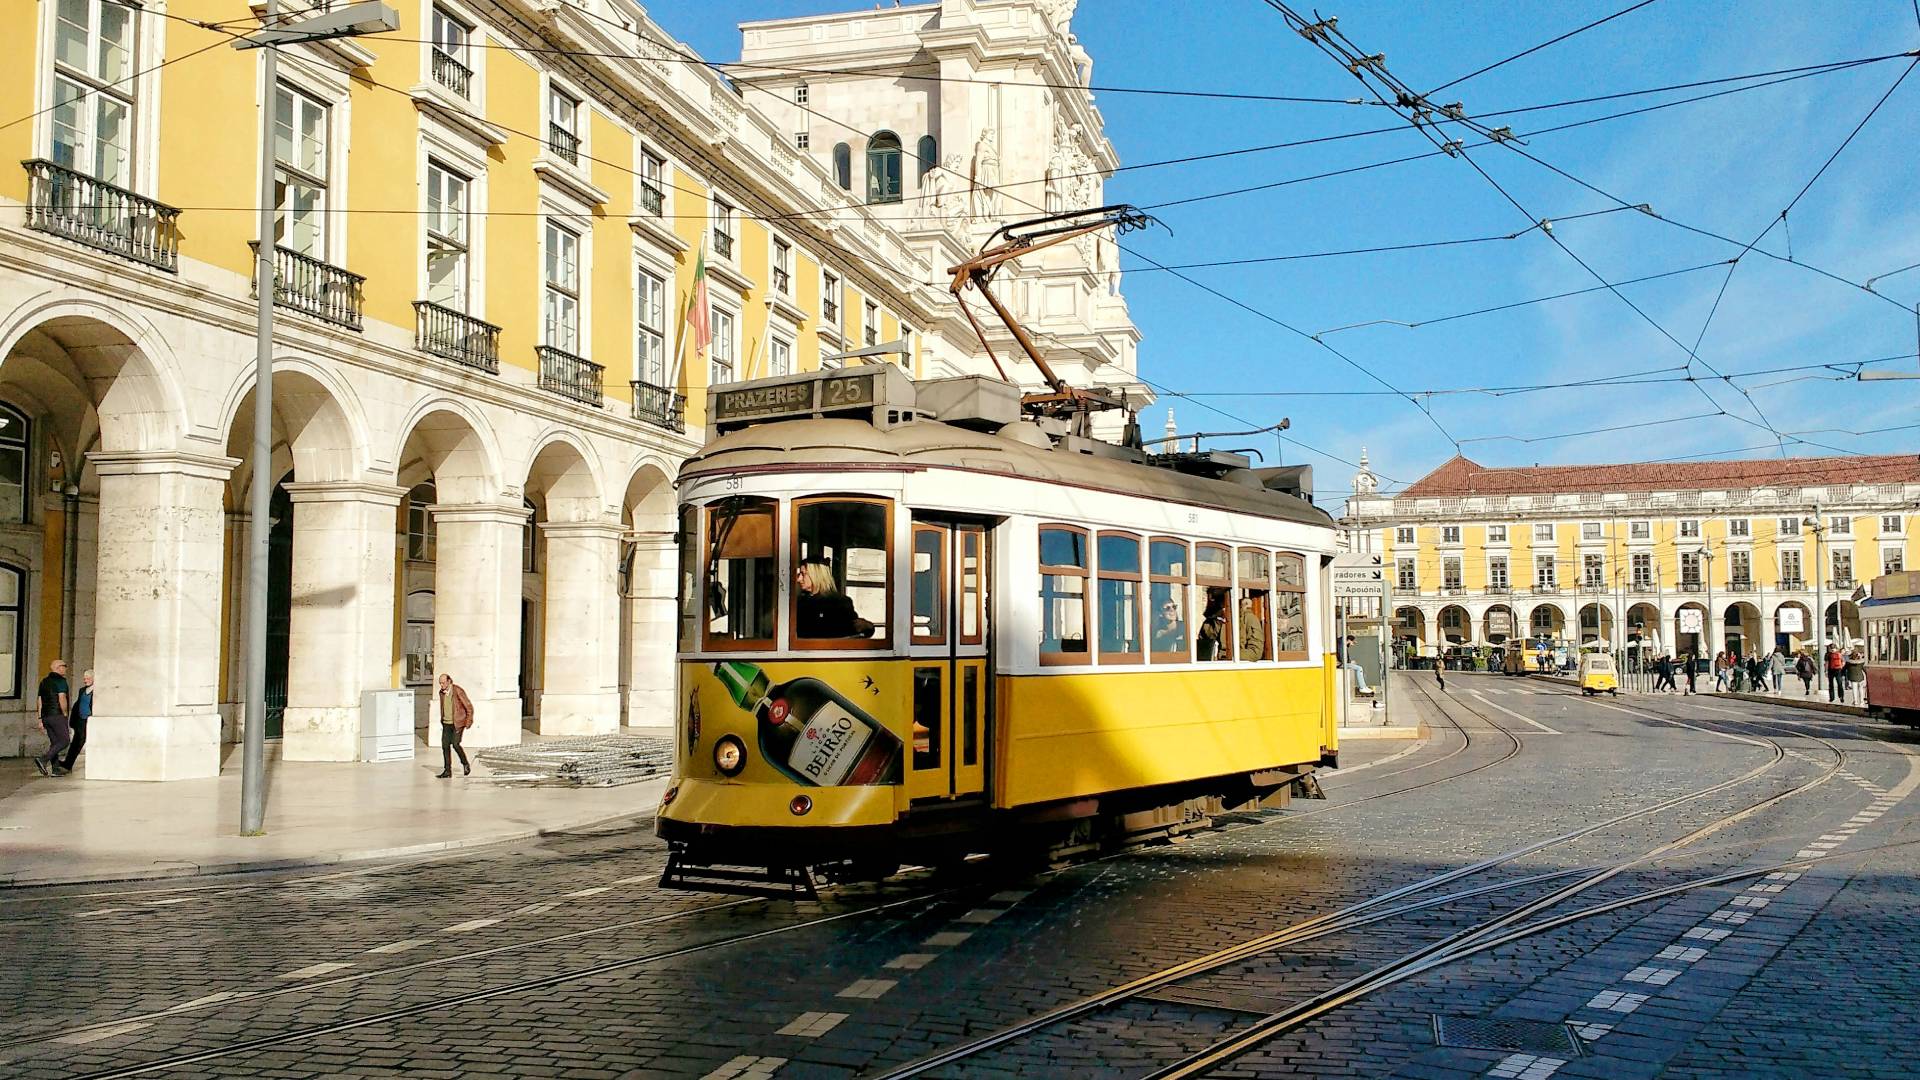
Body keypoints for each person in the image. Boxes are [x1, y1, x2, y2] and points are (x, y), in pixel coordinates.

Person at [794, 560, 869, 640]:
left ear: (817, 575)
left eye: (803, 574)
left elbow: (852, 632)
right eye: (799, 574)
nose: (799, 579)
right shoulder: (798, 602)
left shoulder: (841, 602)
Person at [32, 659, 71, 776]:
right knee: (64, 741)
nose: (66, 668)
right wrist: (65, 714)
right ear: (58, 668)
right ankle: (43, 759)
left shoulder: (44, 682)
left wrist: (39, 718)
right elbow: (62, 698)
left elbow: (39, 700)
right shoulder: (61, 681)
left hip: (45, 716)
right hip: (57, 715)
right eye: (64, 666)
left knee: (55, 742)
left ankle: (55, 769)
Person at [436, 673, 474, 779]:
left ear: (449, 681)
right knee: (445, 746)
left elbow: (469, 706)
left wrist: (468, 721)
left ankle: (465, 763)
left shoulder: (457, 691)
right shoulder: (441, 693)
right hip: (446, 723)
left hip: (458, 722)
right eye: (440, 683)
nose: (441, 685)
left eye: (443, 682)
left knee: (456, 744)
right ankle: (447, 771)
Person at [60, 669, 94, 773]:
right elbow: (77, 705)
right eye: (84, 678)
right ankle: (68, 763)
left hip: (90, 721)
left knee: (81, 742)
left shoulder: (97, 691)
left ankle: (68, 763)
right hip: (80, 720)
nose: (85, 680)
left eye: (88, 678)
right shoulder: (82, 690)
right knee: (75, 743)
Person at [1196, 591, 1228, 661]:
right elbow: (1208, 637)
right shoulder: (1209, 622)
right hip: (1213, 658)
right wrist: (1218, 620)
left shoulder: (1234, 621)